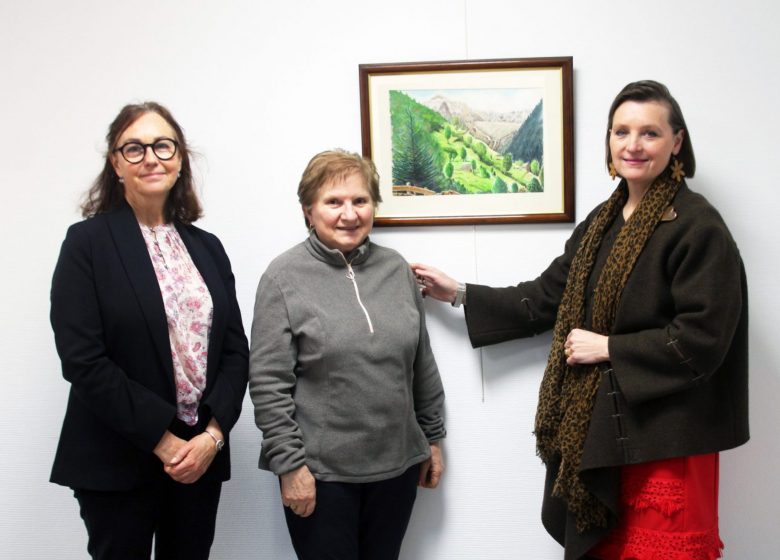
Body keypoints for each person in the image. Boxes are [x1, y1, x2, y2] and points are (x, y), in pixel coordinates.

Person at [412, 80, 748, 560]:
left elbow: (704, 339)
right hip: (607, 435)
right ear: (609, 141)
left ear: (677, 142)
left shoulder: (699, 225)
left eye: (649, 133)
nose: (633, 145)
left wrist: (608, 347)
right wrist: (459, 292)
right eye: (621, 131)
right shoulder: (602, 221)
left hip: (670, 438)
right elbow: (547, 297)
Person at [50, 102, 249, 560]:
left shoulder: (208, 247)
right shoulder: (87, 244)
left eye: (163, 145)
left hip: (200, 457)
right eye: (134, 148)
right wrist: (165, 442)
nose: (151, 158)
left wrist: (211, 438)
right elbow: (82, 359)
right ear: (116, 164)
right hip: (117, 459)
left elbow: (236, 352)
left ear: (180, 159)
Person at [249, 149, 446, 560]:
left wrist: (433, 439)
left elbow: (420, 364)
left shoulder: (396, 271)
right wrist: (289, 466)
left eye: (360, 201)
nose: (349, 214)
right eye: (333, 202)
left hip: (397, 467)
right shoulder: (282, 278)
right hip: (321, 475)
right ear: (308, 210)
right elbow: (269, 384)